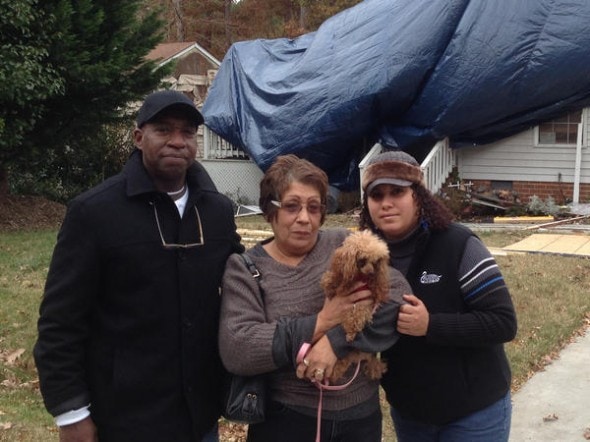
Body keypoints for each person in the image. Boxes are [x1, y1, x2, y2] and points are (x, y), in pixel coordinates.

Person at [33, 90, 244, 442]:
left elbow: (245, 286)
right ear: (138, 137)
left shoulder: (217, 213)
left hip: (200, 417)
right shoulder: (95, 213)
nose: (177, 141)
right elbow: (60, 322)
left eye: (188, 133)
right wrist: (71, 413)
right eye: (164, 129)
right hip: (123, 418)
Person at [219, 154, 411, 442]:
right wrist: (321, 321)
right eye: (291, 206)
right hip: (286, 421)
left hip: (360, 419)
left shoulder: (344, 244)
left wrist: (335, 343)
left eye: (314, 207)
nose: (304, 219)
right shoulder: (246, 269)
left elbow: (398, 297)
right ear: (270, 211)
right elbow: (239, 347)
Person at [359, 149, 518, 442]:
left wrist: (431, 325)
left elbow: (503, 322)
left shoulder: (458, 245)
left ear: (418, 196)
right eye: (376, 195)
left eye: (397, 192)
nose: (386, 203)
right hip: (410, 413)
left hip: (473, 413)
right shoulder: (366, 258)